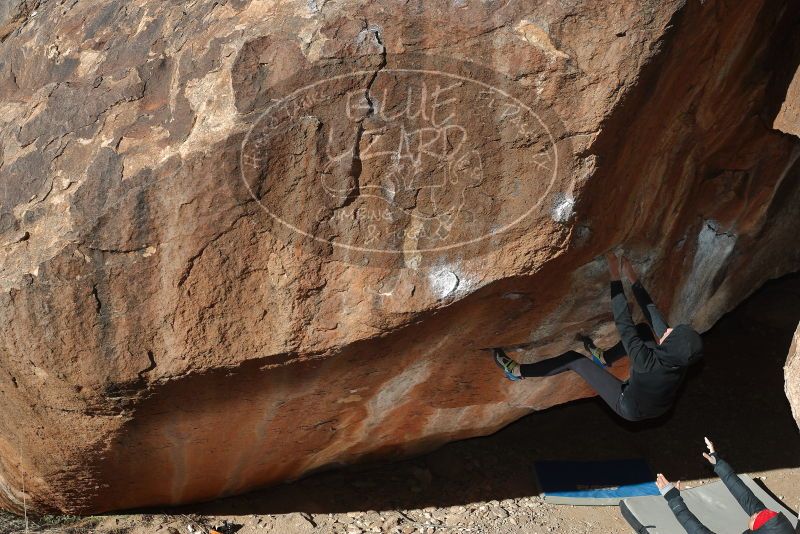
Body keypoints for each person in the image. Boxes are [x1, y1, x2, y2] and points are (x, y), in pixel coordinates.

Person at [493, 251, 703, 422]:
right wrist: (633, 279)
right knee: (645, 329)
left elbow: (623, 322)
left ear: (672, 345)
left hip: (631, 407)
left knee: (574, 360)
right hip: (659, 404)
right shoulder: (681, 357)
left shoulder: (645, 362)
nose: (667, 330)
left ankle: (516, 371)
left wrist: (614, 276)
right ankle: (605, 358)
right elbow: (654, 317)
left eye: (671, 334)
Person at [655, 438, 796, 533]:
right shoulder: (775, 527)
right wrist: (719, 464)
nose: (753, 514)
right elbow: (746, 497)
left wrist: (673, 499)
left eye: (755, 518)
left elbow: (697, 530)